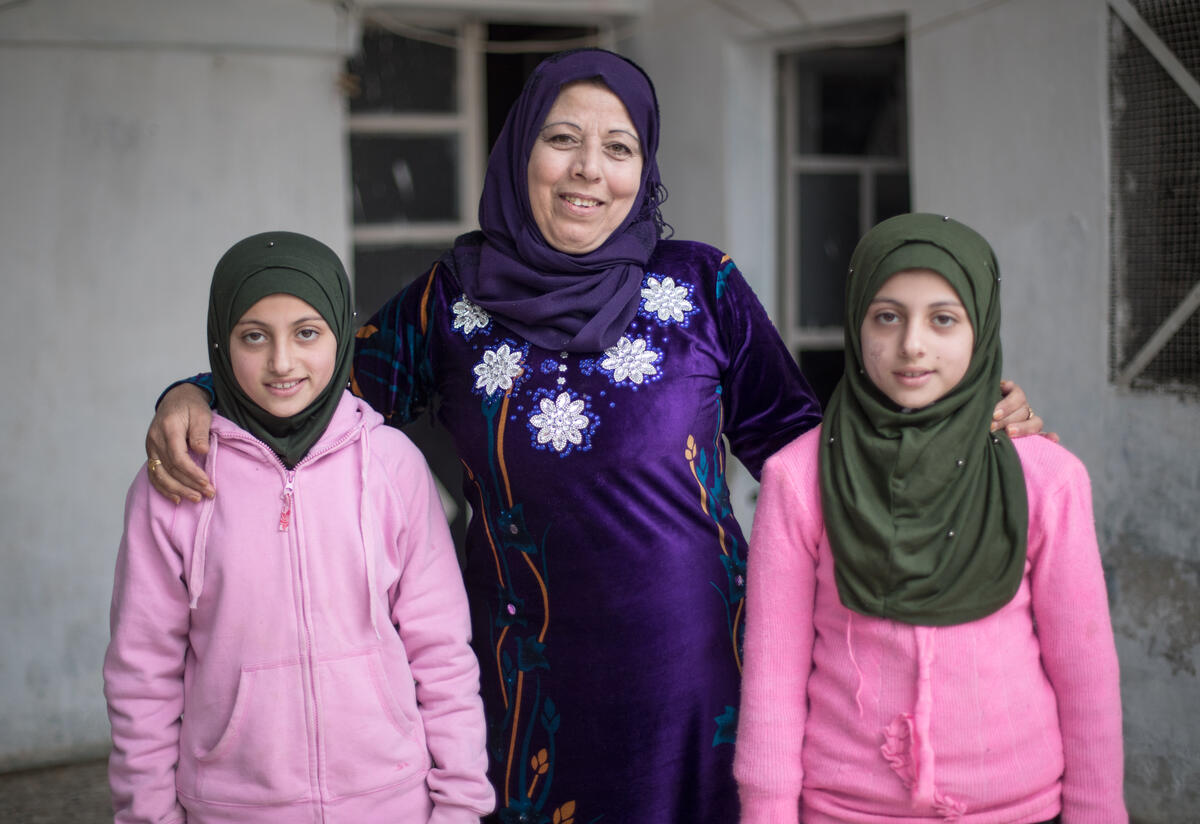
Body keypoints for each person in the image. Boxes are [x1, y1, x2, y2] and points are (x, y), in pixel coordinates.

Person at [143, 52, 1043, 822]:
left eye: (619, 148)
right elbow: (308, 386)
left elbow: (804, 448)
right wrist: (194, 392)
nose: (588, 170)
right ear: (520, 147)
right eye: (562, 138)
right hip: (522, 688)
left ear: (643, 167)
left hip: (701, 684)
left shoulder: (701, 285)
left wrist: (956, 423)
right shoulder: (450, 300)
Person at [734, 213, 1126, 823]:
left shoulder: (1048, 479)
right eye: (886, 316)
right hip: (846, 811)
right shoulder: (799, 479)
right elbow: (772, 683)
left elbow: (1087, 679)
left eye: (944, 318)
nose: (912, 343)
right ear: (857, 320)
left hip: (1019, 809)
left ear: (983, 327)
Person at [104, 231, 494, 823]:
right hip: (232, 808)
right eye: (253, 336)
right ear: (219, 341)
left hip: (393, 803)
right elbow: (142, 676)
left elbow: (441, 653)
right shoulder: (177, 481)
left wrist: (462, 804)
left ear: (341, 334)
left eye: (307, 333)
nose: (282, 362)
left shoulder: (392, 465)